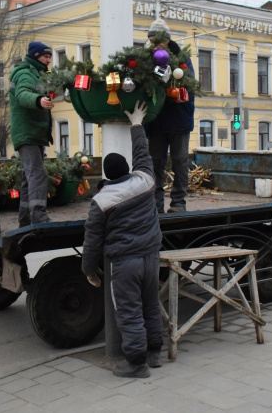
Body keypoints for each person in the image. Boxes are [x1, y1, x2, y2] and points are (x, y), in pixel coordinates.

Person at [82, 101, 164, 378]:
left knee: (129, 312)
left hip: (124, 263)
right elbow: (144, 155)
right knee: (151, 304)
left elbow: (93, 240)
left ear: (107, 175)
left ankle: (137, 364)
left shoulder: (101, 201)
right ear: (127, 168)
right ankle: (155, 353)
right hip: (151, 256)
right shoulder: (145, 180)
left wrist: (89, 270)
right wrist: (137, 124)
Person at [144, 18, 196, 213]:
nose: (155, 44)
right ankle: (156, 204)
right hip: (156, 120)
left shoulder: (181, 58)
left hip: (179, 118)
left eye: (159, 40)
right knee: (155, 162)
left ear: (167, 40)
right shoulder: (146, 59)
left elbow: (189, 83)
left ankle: (178, 203)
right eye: (151, 40)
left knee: (180, 160)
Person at [10, 41, 55, 227]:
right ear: (36, 56)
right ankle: (38, 216)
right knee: (37, 174)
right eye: (46, 57)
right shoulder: (25, 73)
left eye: (50, 57)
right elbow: (22, 94)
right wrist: (38, 100)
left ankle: (25, 218)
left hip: (34, 132)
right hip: (27, 132)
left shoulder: (39, 74)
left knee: (30, 178)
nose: (49, 61)